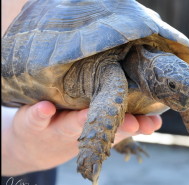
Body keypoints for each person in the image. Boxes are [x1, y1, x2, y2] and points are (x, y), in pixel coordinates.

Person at [1, 0, 163, 184]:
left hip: (35, 157)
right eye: (172, 86)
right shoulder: (110, 75)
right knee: (114, 86)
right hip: (22, 141)